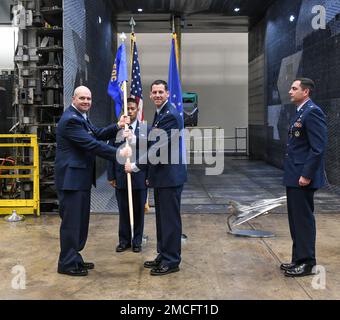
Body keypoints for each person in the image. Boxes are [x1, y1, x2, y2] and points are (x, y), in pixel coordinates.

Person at [55, 85, 131, 276]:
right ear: (73, 99)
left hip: (79, 179)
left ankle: (74, 257)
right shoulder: (71, 120)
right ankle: (67, 263)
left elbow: (96, 134)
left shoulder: (81, 117)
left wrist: (118, 126)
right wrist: (118, 153)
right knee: (72, 223)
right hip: (71, 181)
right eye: (82, 98)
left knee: (79, 222)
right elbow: (92, 144)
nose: (86, 102)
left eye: (88, 99)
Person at [125, 80, 187, 276]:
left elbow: (159, 149)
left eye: (161, 92)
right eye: (155, 92)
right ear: (150, 96)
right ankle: (164, 254)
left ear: (168, 93)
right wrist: (134, 139)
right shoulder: (161, 113)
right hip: (162, 177)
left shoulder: (171, 116)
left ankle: (172, 260)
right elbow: (153, 139)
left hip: (170, 177)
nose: (158, 95)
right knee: (162, 220)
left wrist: (136, 166)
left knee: (170, 221)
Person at [281, 78, 327, 277]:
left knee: (303, 220)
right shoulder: (301, 111)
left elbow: (318, 148)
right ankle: (298, 259)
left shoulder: (313, 112)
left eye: (294, 88)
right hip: (294, 175)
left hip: (302, 177)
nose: (290, 91)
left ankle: (307, 263)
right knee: (295, 220)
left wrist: (306, 175)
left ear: (305, 91)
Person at [107, 97, 149, 253]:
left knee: (138, 211)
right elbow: (110, 153)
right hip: (121, 176)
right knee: (123, 210)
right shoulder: (116, 130)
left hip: (139, 177)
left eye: (132, 108)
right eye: (127, 109)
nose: (130, 111)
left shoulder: (145, 130)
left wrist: (148, 176)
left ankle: (137, 241)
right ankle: (124, 240)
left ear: (137, 110)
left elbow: (150, 154)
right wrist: (111, 176)